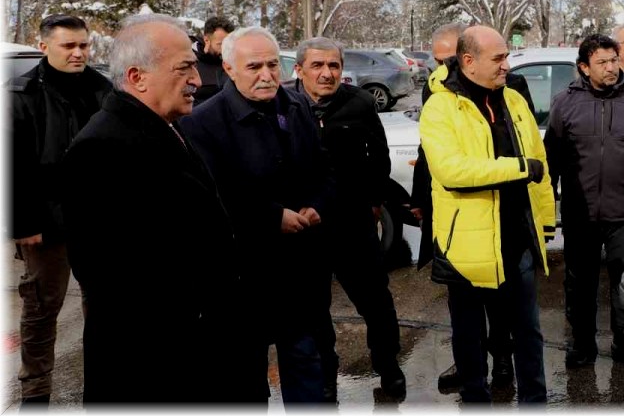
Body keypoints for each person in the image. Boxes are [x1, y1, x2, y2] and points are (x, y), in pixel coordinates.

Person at [60, 14, 241, 404]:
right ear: (138, 77)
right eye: (184, 69)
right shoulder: (103, 148)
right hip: (152, 372)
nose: (196, 80)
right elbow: (110, 276)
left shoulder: (163, 126)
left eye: (194, 66)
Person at [181, 27, 335, 405]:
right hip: (243, 274)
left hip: (299, 269)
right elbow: (212, 196)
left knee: (305, 361)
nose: (266, 74)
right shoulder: (201, 122)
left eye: (271, 64)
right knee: (245, 379)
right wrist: (271, 217)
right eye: (254, 66)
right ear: (229, 69)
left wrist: (318, 203)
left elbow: (322, 170)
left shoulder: (297, 107)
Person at [419, 25, 556, 403]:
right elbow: (452, 172)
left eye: (505, 57)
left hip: (517, 241)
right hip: (466, 248)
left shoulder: (512, 99)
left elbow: (539, 164)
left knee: (528, 334)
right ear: (468, 61)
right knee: (469, 338)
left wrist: (544, 221)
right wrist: (518, 169)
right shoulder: (441, 106)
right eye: (498, 59)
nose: (506, 66)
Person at [289, 37, 407, 400]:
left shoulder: (358, 103)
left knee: (376, 302)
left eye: (334, 66)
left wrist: (373, 201)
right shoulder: (284, 105)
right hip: (307, 227)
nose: (327, 73)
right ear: (299, 69)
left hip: (353, 223)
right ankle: (326, 374)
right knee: (314, 310)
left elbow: (380, 157)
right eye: (318, 66)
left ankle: (388, 368)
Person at [5, 14, 111, 405]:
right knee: (40, 310)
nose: (79, 53)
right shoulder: (20, 94)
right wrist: (22, 220)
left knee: (103, 308)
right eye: (69, 46)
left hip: (97, 221)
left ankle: (102, 391)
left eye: (84, 45)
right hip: (45, 223)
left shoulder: (103, 90)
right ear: (44, 45)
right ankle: (35, 396)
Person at [544, 34, 624, 368]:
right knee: (580, 283)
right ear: (583, 67)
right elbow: (552, 156)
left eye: (613, 60)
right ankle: (582, 344)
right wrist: (546, 205)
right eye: (602, 62)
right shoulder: (565, 103)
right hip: (580, 212)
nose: (611, 68)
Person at [192, 16, 236, 107]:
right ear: (207, 40)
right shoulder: (189, 62)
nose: (226, 49)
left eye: (228, 44)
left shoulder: (234, 63)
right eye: (221, 44)